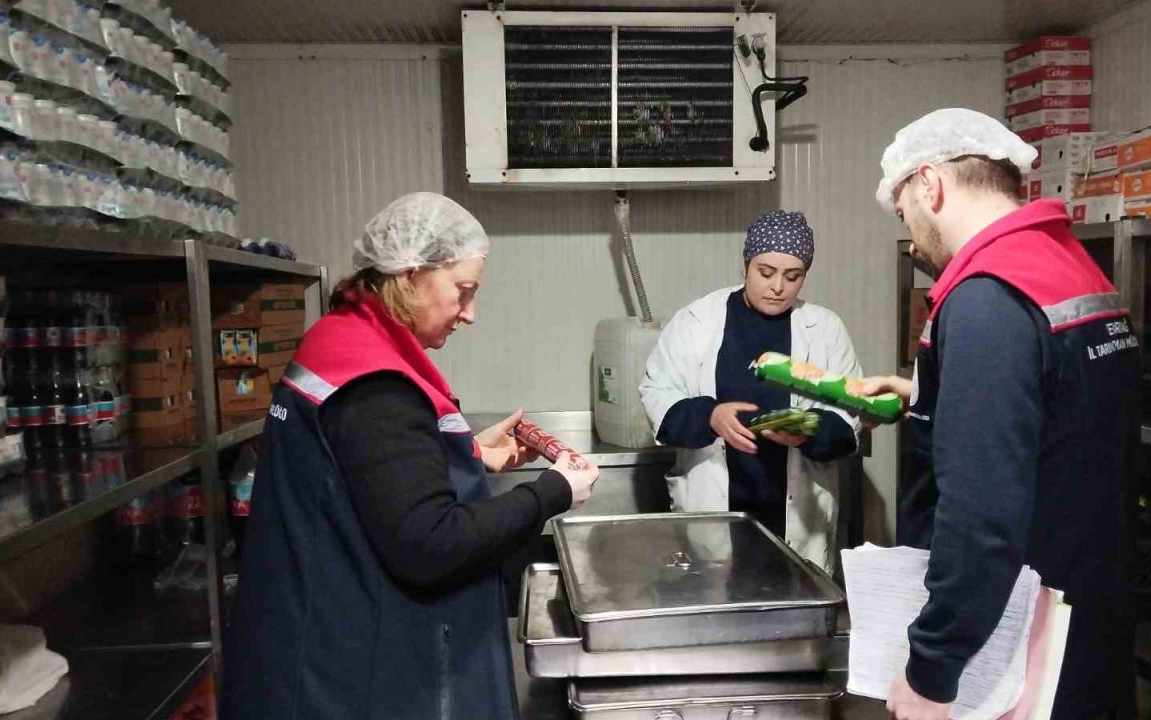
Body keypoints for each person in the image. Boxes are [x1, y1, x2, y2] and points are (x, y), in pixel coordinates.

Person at [222, 192, 600, 720]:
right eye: (462, 291)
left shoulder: (339, 340)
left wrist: (461, 453)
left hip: (315, 635)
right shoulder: (377, 387)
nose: (470, 314)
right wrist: (553, 491)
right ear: (408, 274)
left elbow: (361, 470)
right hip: (357, 672)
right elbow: (430, 543)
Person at [855, 109, 1139, 720]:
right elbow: (1059, 418)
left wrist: (932, 668)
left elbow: (980, 514)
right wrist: (926, 396)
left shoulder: (987, 296)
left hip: (1019, 638)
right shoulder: (1067, 266)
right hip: (1090, 609)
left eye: (906, 213)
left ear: (930, 184)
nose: (912, 239)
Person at [640, 210, 863, 571]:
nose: (778, 287)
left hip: (796, 517)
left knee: (795, 611)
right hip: (714, 510)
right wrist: (709, 415)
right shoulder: (697, 321)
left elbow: (849, 416)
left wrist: (807, 428)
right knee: (715, 611)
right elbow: (656, 392)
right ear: (744, 268)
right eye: (765, 272)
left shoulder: (824, 328)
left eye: (793, 277)